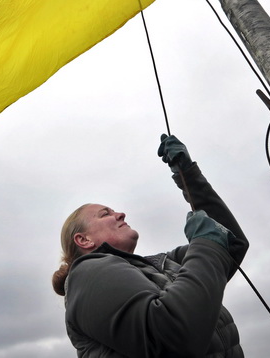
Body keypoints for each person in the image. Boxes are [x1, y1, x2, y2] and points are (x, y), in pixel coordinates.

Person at [52, 134, 248, 357]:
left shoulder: (163, 263)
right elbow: (174, 337)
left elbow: (229, 244)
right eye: (105, 213)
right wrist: (205, 243)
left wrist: (189, 177)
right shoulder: (87, 274)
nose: (120, 213)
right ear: (84, 240)